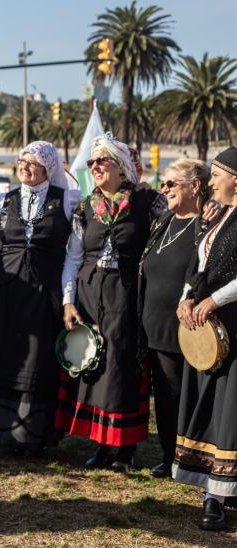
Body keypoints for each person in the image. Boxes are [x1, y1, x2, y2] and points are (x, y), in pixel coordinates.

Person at [59, 133, 166, 472]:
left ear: (121, 167)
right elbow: (73, 259)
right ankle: (101, 445)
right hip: (90, 293)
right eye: (92, 163)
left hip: (127, 293)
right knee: (94, 362)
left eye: (102, 161)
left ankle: (125, 448)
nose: (95, 167)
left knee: (122, 363)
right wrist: (68, 301)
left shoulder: (148, 202)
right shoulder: (85, 207)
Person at [0, 141, 79, 453]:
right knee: (5, 356)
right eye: (22, 160)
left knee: (37, 362)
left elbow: (73, 257)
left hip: (42, 295)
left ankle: (33, 434)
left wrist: (66, 298)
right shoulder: (3, 201)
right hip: (5, 294)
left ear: (48, 167)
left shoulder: (68, 201)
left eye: (32, 162)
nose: (24, 166)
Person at [174, 147, 237, 530]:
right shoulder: (216, 218)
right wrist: (186, 298)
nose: (210, 182)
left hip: (233, 324)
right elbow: (197, 266)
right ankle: (210, 492)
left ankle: (223, 493)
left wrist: (214, 299)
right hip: (207, 328)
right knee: (210, 409)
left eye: (216, 175)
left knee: (231, 413)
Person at [138, 159, 209, 478]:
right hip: (154, 325)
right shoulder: (163, 221)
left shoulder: (207, 225)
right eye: (162, 183)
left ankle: (190, 459)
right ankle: (169, 456)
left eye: (171, 184)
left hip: (188, 328)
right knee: (165, 397)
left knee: (186, 397)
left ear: (195, 187)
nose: (163, 189)